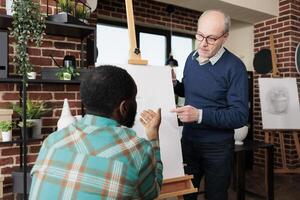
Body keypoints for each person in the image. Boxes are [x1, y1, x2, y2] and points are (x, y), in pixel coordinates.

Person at [29, 65, 163, 200]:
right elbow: (152, 192)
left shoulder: (52, 141)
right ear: (124, 107)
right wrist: (153, 137)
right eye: (134, 99)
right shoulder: (138, 150)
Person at [171, 10, 249, 200]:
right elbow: (188, 92)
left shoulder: (235, 67)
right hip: (188, 141)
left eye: (212, 38)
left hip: (218, 148)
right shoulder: (191, 58)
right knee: (187, 194)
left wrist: (200, 115)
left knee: (215, 196)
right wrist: (174, 85)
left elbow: (240, 115)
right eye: (200, 36)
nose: (203, 44)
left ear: (225, 37)